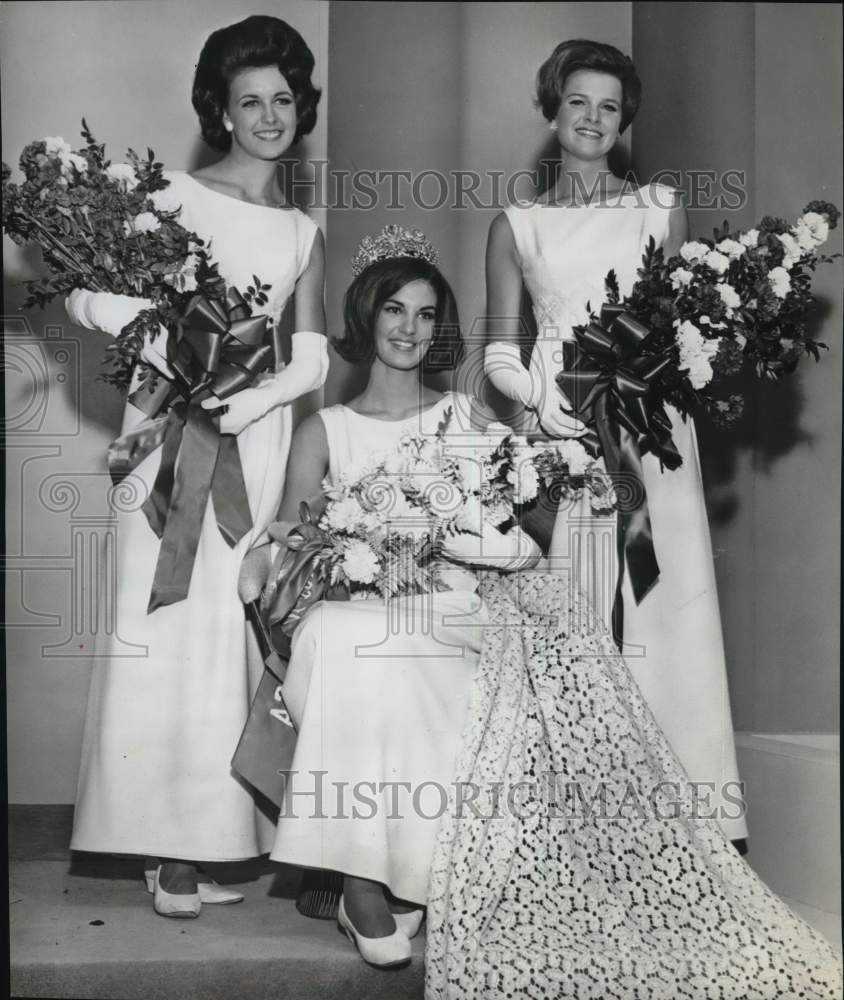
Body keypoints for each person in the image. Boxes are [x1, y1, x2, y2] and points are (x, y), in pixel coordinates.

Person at [269, 230, 842, 996]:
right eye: (394, 311)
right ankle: (362, 882)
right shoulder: (324, 430)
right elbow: (289, 537)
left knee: (391, 647)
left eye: (426, 313)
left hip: (453, 605)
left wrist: (483, 527)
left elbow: (520, 534)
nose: (409, 328)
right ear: (366, 319)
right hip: (354, 600)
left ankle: (398, 877)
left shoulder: (467, 420)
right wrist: (346, 553)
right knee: (347, 636)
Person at [66, 14, 327, 918]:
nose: (268, 115)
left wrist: (251, 401)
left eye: (283, 99)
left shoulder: (301, 230)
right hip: (167, 429)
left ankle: (212, 837)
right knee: (160, 629)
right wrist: (156, 335)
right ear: (219, 109)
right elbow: (85, 290)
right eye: (249, 99)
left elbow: (315, 356)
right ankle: (163, 846)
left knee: (227, 633)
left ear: (302, 110)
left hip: (246, 438)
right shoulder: (170, 195)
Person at [483, 38, 747, 843]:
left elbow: (684, 325)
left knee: (662, 601)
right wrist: (543, 403)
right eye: (577, 103)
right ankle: (574, 822)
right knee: (578, 606)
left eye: (609, 105)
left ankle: (686, 820)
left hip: (652, 431)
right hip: (562, 435)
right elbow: (498, 349)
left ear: (623, 117)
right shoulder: (517, 224)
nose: (593, 119)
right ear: (551, 111)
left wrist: (660, 379)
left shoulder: (660, 207)